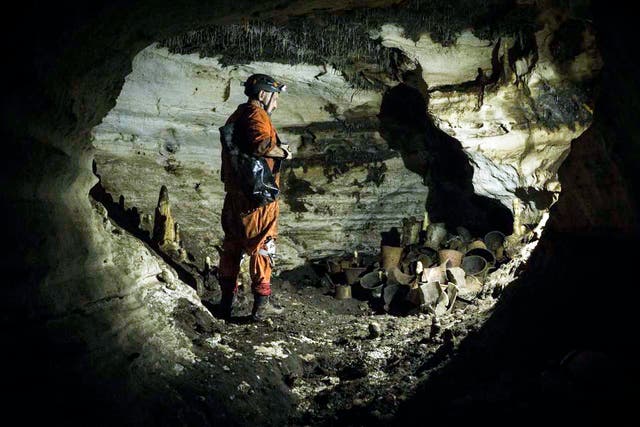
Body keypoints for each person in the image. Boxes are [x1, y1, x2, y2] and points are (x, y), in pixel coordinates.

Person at [217, 74, 291, 320]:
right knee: (263, 244)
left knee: (233, 245)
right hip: (257, 197)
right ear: (262, 94)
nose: (276, 104)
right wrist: (284, 153)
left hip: (237, 194)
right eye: (275, 97)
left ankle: (227, 301)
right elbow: (261, 145)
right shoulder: (256, 114)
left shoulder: (237, 115)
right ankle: (261, 304)